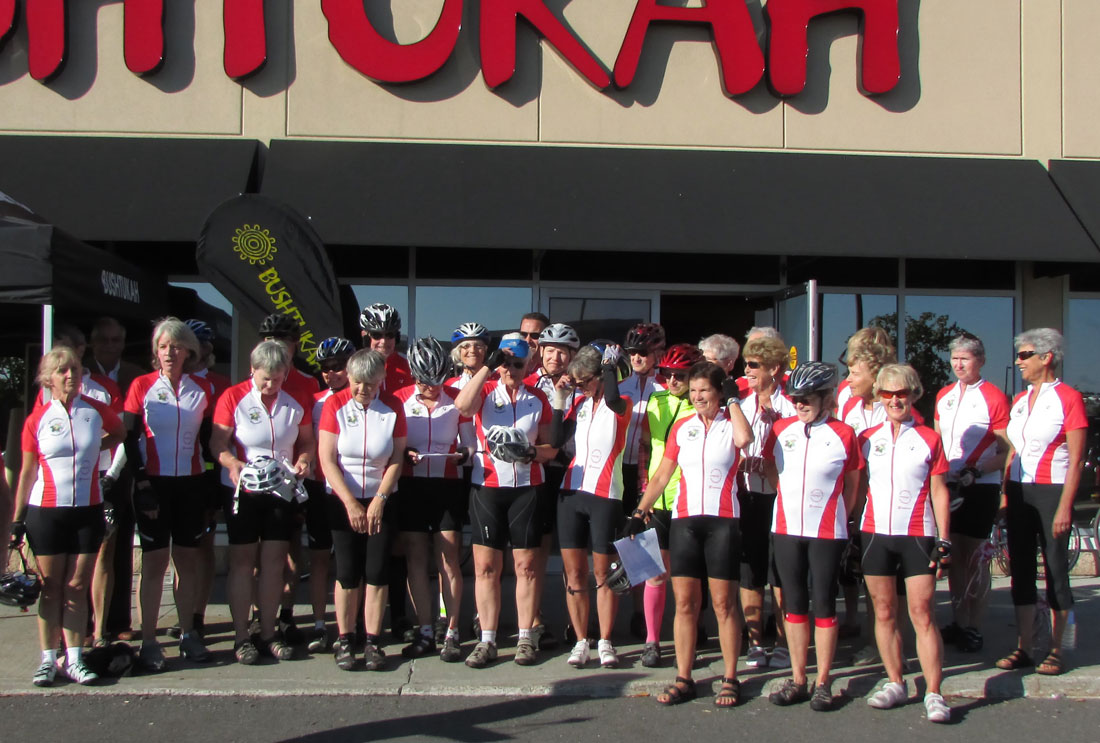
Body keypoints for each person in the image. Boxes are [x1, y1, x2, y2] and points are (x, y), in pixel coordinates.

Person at [632, 361, 754, 706]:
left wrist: (733, 401)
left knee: (723, 604)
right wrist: (639, 511)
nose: (698, 396)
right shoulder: (683, 427)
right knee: (685, 603)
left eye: (705, 390)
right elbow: (662, 474)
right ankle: (684, 678)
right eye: (694, 390)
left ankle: (730, 677)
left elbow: (745, 440)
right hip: (685, 521)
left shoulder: (731, 424)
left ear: (719, 392)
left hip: (722, 521)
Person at [12, 345, 126, 686]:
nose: (70, 375)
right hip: (46, 512)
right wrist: (17, 519)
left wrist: (95, 449)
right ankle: (48, 660)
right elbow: (27, 471)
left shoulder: (95, 410)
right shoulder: (37, 418)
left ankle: (74, 659)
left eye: (74, 368)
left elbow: (120, 434)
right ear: (48, 378)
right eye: (62, 370)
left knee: (77, 586)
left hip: (88, 510)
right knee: (52, 588)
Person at [454, 333, 556, 668]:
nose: (510, 369)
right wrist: (488, 366)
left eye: (517, 364)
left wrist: (531, 452)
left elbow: (551, 449)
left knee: (526, 566)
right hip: (487, 487)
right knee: (486, 567)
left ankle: (526, 637)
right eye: (505, 363)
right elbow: (462, 407)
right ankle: (487, 640)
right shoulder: (484, 391)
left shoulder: (538, 397)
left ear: (528, 366)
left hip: (527, 487)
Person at [763, 362, 861, 711]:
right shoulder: (781, 429)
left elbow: (853, 483)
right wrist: (785, 494)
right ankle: (798, 678)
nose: (800, 404)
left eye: (807, 398)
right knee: (793, 604)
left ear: (825, 398)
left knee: (823, 604)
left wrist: (842, 516)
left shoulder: (844, 433)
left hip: (827, 530)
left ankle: (823, 681)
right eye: (795, 399)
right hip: (786, 527)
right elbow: (769, 465)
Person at [858, 364, 952, 724]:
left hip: (917, 533)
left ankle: (934, 692)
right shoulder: (867, 438)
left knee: (922, 613)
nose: (895, 400)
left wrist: (944, 539)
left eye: (902, 393)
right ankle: (895, 681)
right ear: (879, 396)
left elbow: (940, 491)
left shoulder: (929, 438)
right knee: (883, 612)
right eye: (887, 393)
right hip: (875, 533)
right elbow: (858, 488)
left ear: (914, 395)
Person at [211, 340, 315, 665]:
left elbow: (307, 441)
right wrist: (232, 463)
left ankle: (269, 633)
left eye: (278, 378)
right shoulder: (234, 397)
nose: (271, 385)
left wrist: (304, 460)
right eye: (264, 378)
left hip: (280, 490)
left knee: (274, 562)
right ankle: (242, 636)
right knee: (243, 563)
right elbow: (217, 442)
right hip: (244, 490)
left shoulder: (295, 400)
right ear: (252, 371)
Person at [123, 318, 215, 669]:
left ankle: (189, 633)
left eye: (176, 346)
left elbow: (209, 443)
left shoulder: (202, 389)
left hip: (190, 483)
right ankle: (149, 641)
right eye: (163, 347)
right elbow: (129, 439)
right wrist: (141, 482)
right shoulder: (142, 385)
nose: (169, 353)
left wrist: (210, 489)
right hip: (153, 483)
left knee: (187, 561)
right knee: (154, 563)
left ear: (189, 351)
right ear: (155, 351)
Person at [996, 328, 1086, 677]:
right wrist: (1006, 494)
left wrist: (1065, 506)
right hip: (1020, 490)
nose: (1018, 361)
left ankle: (1058, 648)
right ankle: (1025, 646)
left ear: (1046, 358)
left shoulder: (1068, 398)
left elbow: (1077, 459)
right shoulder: (1020, 400)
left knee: (1056, 570)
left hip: (1052, 491)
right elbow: (1013, 450)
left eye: (1024, 355)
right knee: (1020, 569)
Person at [318, 350, 407, 671]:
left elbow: (397, 458)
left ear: (381, 380)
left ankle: (373, 639)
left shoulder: (393, 406)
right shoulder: (335, 404)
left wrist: (380, 499)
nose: (362, 389)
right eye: (357, 382)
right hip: (344, 499)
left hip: (381, 499)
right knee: (346, 572)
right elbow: (327, 459)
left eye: (370, 383)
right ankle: (345, 638)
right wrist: (350, 503)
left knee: (377, 571)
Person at [393, 337, 475, 662]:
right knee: (415, 557)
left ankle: (451, 630)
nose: (433, 388)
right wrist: (405, 453)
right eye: (426, 382)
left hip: (447, 484)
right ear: (414, 375)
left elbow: (470, 445)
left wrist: (463, 455)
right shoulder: (399, 400)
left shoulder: (456, 400)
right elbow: (392, 445)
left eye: (439, 381)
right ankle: (425, 629)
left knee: (448, 559)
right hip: (411, 485)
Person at [43, 325, 125, 648]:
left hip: (102, 478)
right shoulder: (48, 393)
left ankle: (100, 630)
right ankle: (66, 639)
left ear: (80, 351)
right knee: (63, 569)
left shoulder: (104, 388)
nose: (64, 365)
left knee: (102, 558)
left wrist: (108, 473)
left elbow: (121, 436)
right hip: (60, 488)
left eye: (67, 353)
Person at [555, 344, 632, 669]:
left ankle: (605, 640)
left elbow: (612, 398)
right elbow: (556, 440)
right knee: (575, 573)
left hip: (606, 494)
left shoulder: (622, 403)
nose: (581, 387)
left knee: (604, 574)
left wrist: (610, 367)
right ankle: (580, 640)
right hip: (572, 492)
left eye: (584, 381)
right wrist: (561, 399)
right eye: (577, 383)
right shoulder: (580, 405)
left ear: (601, 375)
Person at [935, 333, 1010, 652]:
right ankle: (958, 619)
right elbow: (937, 443)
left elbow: (1006, 450)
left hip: (981, 486)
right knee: (954, 557)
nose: (959, 364)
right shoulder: (944, 395)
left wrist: (977, 470)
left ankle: (974, 626)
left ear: (980, 361)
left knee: (976, 559)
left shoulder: (993, 397)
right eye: (954, 358)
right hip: (950, 485)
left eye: (965, 358)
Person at [637, 343, 703, 667]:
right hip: (657, 497)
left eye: (680, 375)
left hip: (688, 499)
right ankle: (652, 640)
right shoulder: (656, 400)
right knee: (654, 572)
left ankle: (686, 639)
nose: (672, 380)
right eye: (666, 374)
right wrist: (643, 488)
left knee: (685, 576)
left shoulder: (701, 405)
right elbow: (646, 446)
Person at [737, 334, 796, 669]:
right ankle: (756, 642)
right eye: (746, 363)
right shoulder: (740, 405)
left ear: (774, 368)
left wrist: (772, 464)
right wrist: (742, 463)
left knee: (781, 575)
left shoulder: (791, 405)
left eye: (753, 365)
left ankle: (785, 643)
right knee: (751, 572)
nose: (747, 370)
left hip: (781, 497)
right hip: (747, 496)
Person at [86, 316, 144, 642]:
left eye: (116, 340)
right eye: (104, 340)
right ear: (93, 344)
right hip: (85, 471)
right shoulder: (79, 375)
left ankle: (119, 620)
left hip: (123, 470)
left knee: (120, 546)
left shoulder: (134, 375)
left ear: (123, 343)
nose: (110, 346)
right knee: (88, 550)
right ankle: (85, 625)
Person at [525, 322, 582, 647]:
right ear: (541, 352)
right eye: (550, 350)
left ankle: (577, 623)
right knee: (538, 549)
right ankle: (535, 620)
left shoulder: (583, 386)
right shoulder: (529, 384)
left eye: (562, 351)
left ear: (572, 355)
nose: (555, 357)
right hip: (541, 473)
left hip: (575, 473)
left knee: (573, 553)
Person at [303, 336, 357, 654]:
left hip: (352, 489)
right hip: (319, 488)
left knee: (351, 564)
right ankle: (320, 625)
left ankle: (352, 625)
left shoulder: (362, 399)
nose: (331, 373)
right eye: (325, 368)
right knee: (320, 558)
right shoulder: (316, 401)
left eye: (337, 367)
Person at [182, 318, 233, 643]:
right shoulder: (171, 382)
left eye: (195, 346)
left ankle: (197, 614)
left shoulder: (219, 384)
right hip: (176, 472)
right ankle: (184, 614)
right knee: (180, 550)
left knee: (202, 545)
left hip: (209, 473)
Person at [619, 322, 667, 638]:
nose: (636, 357)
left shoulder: (665, 388)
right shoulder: (619, 386)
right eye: (632, 352)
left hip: (648, 472)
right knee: (616, 543)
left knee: (644, 544)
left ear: (657, 354)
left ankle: (640, 614)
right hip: (617, 470)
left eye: (643, 352)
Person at [359, 303, 415, 393]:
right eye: (376, 335)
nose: (383, 341)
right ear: (365, 336)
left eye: (389, 335)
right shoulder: (353, 366)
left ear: (397, 337)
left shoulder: (411, 366)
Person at [446, 322, 491, 389]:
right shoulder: (448, 386)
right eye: (466, 346)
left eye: (478, 346)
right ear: (459, 351)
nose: (472, 350)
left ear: (485, 350)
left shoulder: (500, 381)